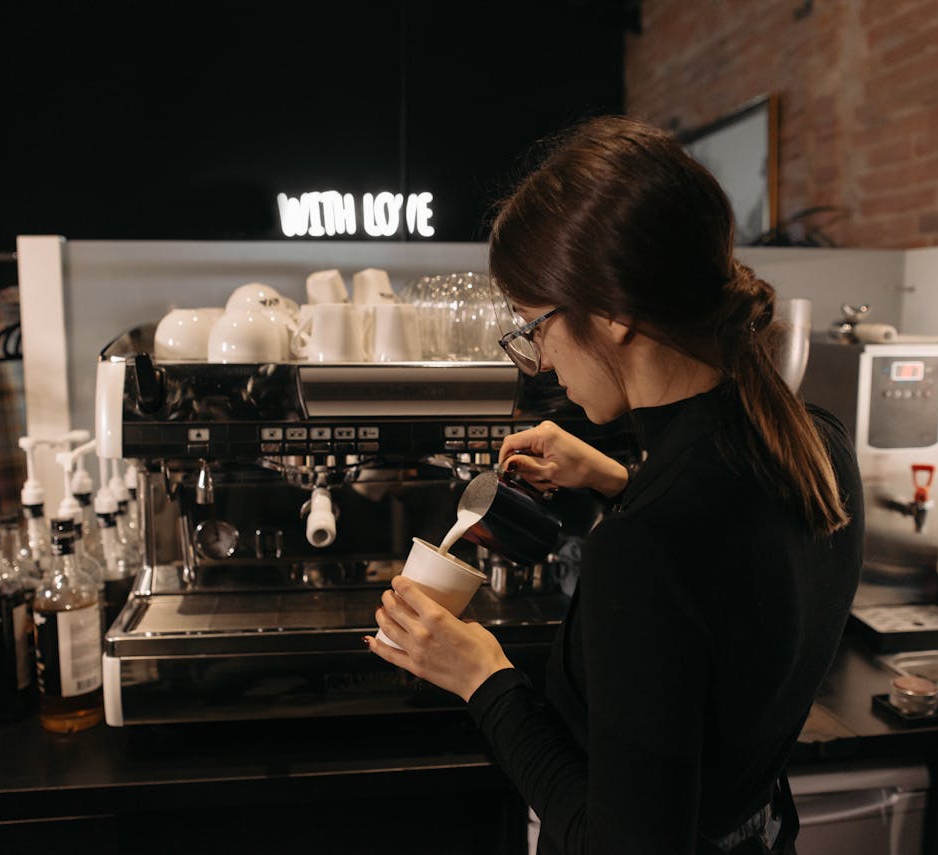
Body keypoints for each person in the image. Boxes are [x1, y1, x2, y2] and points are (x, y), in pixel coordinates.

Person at [365, 115, 864, 855]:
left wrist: (482, 677)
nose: (536, 361)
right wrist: (618, 476)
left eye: (535, 325)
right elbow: (728, 546)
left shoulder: (644, 547)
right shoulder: (817, 444)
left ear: (614, 312)